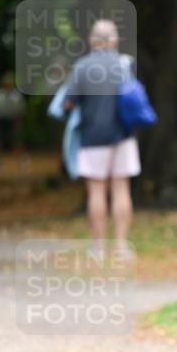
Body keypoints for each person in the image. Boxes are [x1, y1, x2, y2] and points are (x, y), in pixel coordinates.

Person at [63, 20, 141, 255]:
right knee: (121, 189)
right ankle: (120, 245)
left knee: (96, 191)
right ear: (115, 40)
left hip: (92, 136)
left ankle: (97, 246)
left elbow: (68, 102)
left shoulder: (82, 67)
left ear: (93, 41)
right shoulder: (125, 64)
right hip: (123, 136)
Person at [0, 72, 26, 153]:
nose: (7, 84)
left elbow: (21, 109)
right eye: (6, 83)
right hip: (1, 119)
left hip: (13, 119)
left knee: (16, 139)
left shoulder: (16, 95)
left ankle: (21, 159)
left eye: (9, 83)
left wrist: (19, 121)